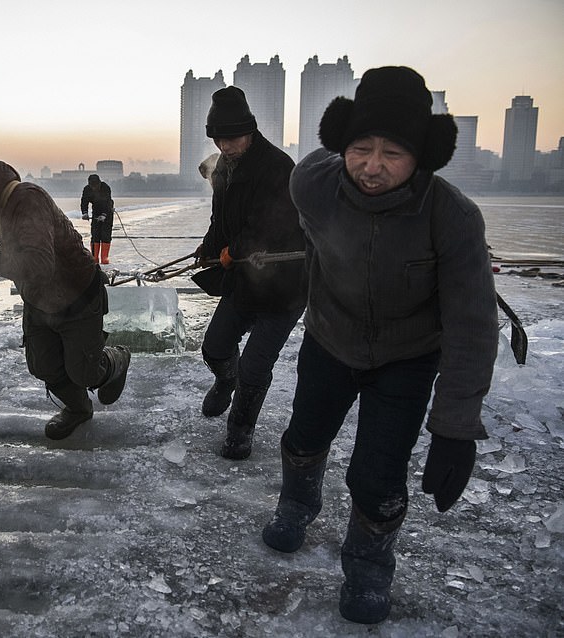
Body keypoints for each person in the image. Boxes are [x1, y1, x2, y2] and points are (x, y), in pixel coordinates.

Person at [260, 66, 499, 624]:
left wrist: (455, 428)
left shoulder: (453, 217)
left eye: (393, 152)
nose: (372, 165)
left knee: (377, 475)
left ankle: (369, 567)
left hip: (407, 358)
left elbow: (471, 326)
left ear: (424, 157)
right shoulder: (311, 184)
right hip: (329, 338)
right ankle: (297, 503)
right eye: (360, 147)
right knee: (303, 437)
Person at [0, 159, 131, 440]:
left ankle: (117, 360)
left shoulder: (26, 199)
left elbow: (39, 265)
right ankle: (78, 408)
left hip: (77, 295)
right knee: (43, 365)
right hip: (38, 300)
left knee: (84, 372)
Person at [194, 86, 307, 461]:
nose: (225, 146)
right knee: (214, 348)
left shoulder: (278, 167)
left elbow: (273, 225)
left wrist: (235, 251)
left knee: (255, 368)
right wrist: (209, 251)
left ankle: (239, 432)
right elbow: (220, 222)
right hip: (244, 284)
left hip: (284, 288)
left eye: (232, 138)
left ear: (251, 130)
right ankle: (226, 379)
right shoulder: (223, 170)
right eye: (219, 139)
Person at [80, 174, 114, 264]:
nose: (94, 188)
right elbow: (84, 201)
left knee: (105, 235)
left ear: (99, 183)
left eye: (96, 186)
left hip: (107, 210)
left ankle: (104, 258)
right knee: (95, 235)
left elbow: (107, 202)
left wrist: (104, 215)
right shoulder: (87, 189)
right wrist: (85, 213)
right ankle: (94, 258)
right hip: (96, 210)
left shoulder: (105, 187)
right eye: (92, 186)